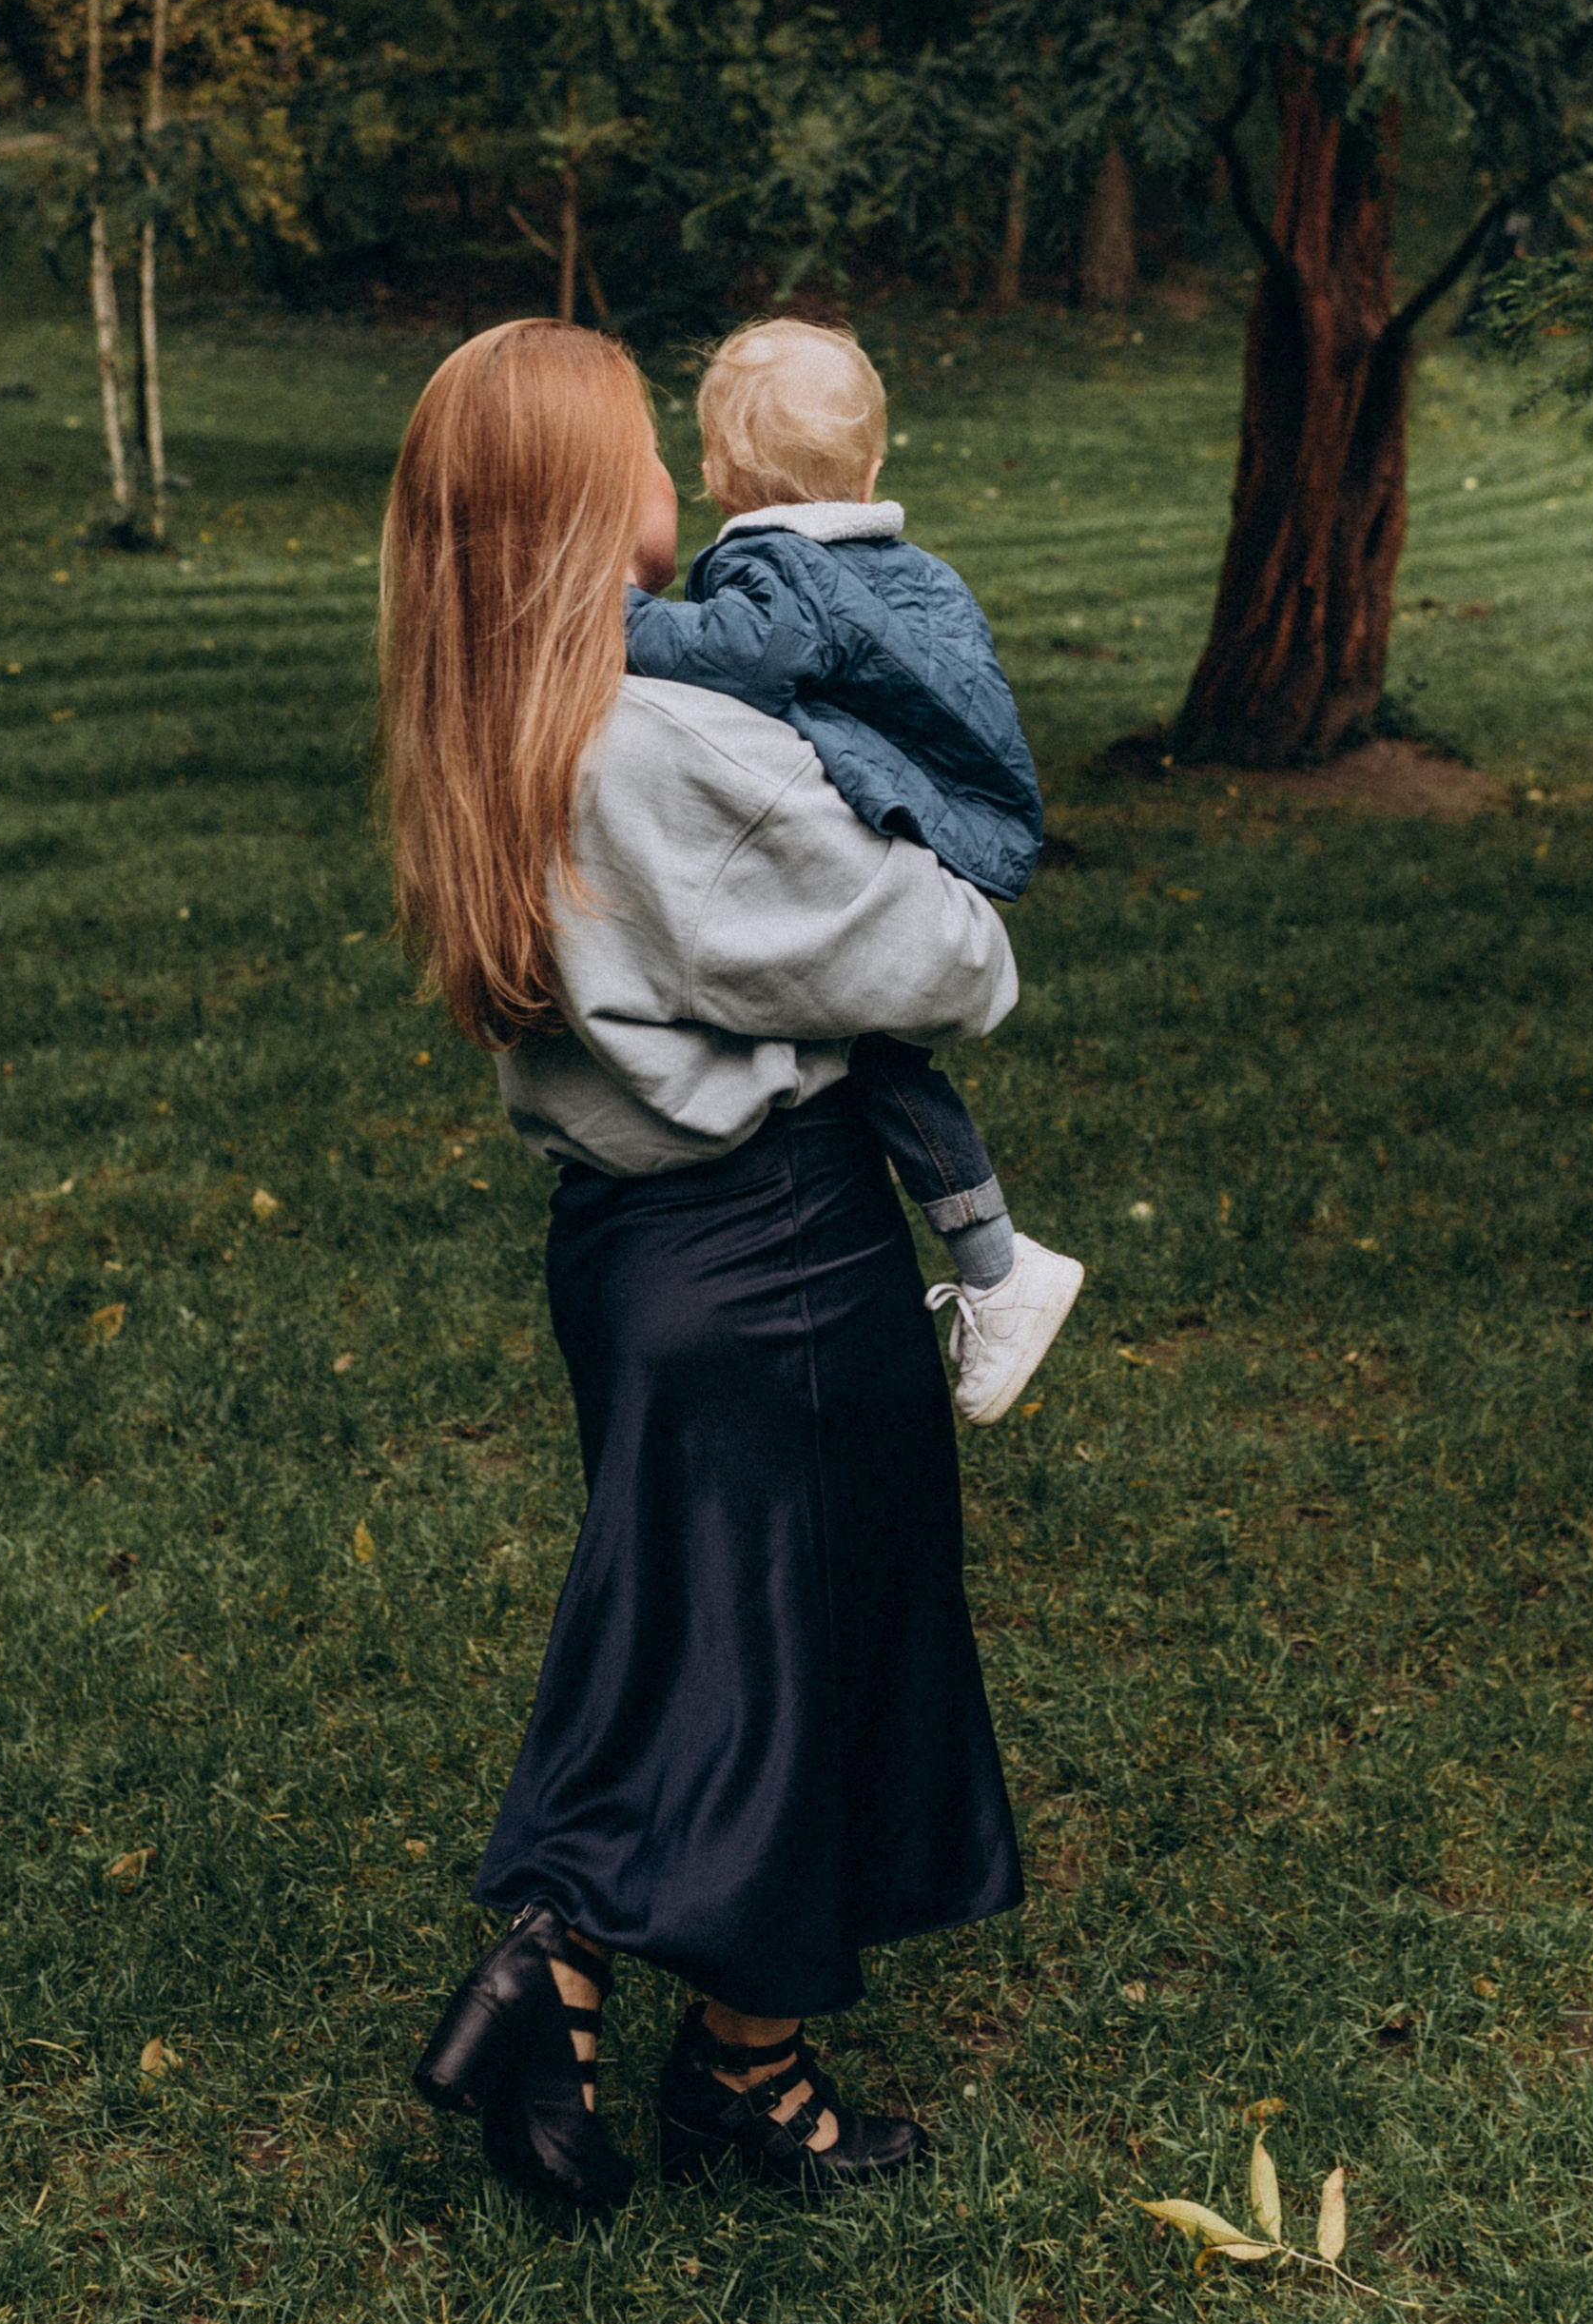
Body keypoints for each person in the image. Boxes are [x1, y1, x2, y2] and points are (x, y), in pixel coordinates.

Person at [382, 318, 1027, 2215]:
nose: (687, 474)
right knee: (760, 1661)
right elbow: (949, 960)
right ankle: (562, 1967)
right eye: (646, 451)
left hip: (631, 1244)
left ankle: (745, 2069)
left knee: (744, 1642)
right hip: (779, 1251)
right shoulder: (667, 740)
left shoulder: (488, 705)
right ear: (592, 505)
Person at [625, 315, 1083, 1423]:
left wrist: (615, 617)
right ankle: (995, 1260)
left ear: (716, 472)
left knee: (875, 1058)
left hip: (900, 824)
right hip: (954, 816)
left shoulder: (775, 564)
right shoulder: (905, 568)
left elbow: (740, 653)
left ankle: (998, 1263)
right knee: (885, 1058)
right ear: (873, 466)